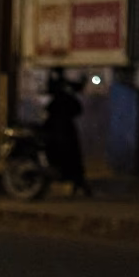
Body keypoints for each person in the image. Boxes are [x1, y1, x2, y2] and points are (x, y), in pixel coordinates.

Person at [44, 68, 91, 197]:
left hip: (62, 132)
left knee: (70, 160)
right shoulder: (62, 94)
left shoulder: (62, 96)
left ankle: (77, 185)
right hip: (61, 132)